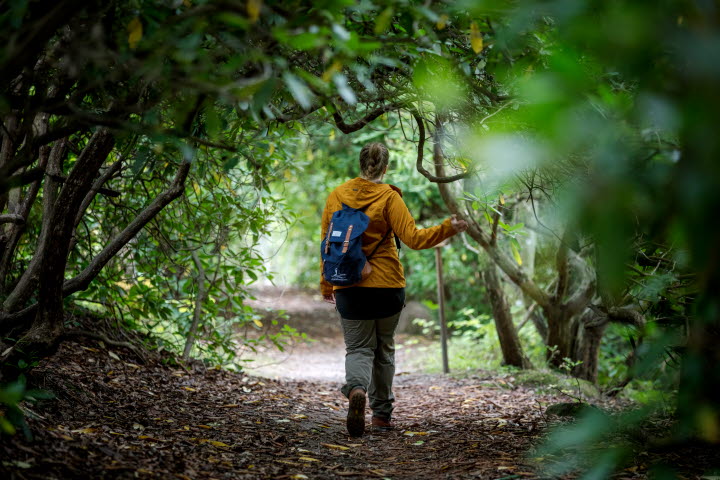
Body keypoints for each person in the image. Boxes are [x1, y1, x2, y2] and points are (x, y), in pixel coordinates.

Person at [320, 142, 468, 437]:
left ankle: (357, 390)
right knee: (384, 350)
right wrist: (447, 227)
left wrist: (327, 284)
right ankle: (382, 415)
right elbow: (414, 238)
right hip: (388, 286)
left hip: (349, 284)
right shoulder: (389, 197)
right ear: (385, 168)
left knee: (359, 348)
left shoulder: (337, 195)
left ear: (360, 164)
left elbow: (327, 243)